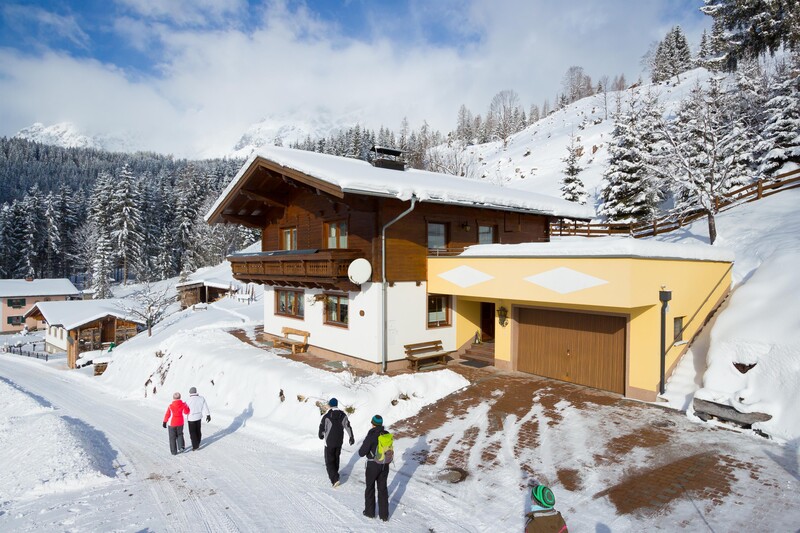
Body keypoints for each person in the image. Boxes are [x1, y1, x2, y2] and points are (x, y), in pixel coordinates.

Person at [358, 414, 390, 521]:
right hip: (384, 465)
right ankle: (384, 515)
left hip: (372, 465)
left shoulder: (371, 436)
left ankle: (370, 513)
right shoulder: (386, 434)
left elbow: (361, 452)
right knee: (382, 489)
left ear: (373, 424)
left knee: (370, 488)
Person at [318, 397, 354, 487]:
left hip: (329, 442)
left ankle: (334, 479)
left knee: (329, 461)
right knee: (336, 458)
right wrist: (351, 437)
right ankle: (336, 475)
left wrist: (321, 434)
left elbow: (322, 427)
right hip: (339, 442)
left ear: (330, 405)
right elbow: (348, 426)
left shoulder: (327, 416)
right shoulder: (343, 415)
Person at [186, 386, 211, 451]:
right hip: (199, 417)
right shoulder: (201, 398)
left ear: (190, 392)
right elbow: (205, 407)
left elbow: (185, 410)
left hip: (191, 418)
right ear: (196, 391)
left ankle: (195, 446)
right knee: (198, 430)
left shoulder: (188, 400)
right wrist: (208, 415)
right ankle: (198, 442)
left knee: (192, 432)